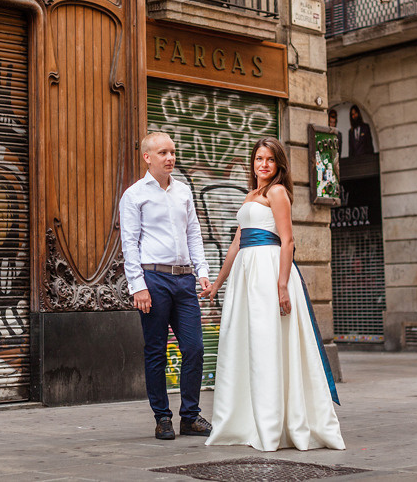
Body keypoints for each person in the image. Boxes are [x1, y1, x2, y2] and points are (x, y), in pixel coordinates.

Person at [200, 137, 344, 452]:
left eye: (269, 160)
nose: (263, 164)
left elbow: (288, 241)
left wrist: (281, 285)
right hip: (246, 277)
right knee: (248, 346)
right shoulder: (251, 195)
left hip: (269, 273)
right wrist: (218, 283)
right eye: (258, 159)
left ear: (278, 165)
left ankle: (274, 425)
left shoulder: (278, 192)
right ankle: (245, 421)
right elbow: (236, 244)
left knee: (268, 344)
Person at [120, 131, 213, 441]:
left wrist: (202, 271)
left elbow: (194, 235)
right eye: (163, 153)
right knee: (156, 351)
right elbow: (129, 243)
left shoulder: (184, 192)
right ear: (148, 157)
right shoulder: (134, 195)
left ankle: (190, 416)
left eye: (172, 152)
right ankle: (162, 417)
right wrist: (138, 286)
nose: (170, 157)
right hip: (153, 279)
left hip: (185, 279)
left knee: (194, 348)